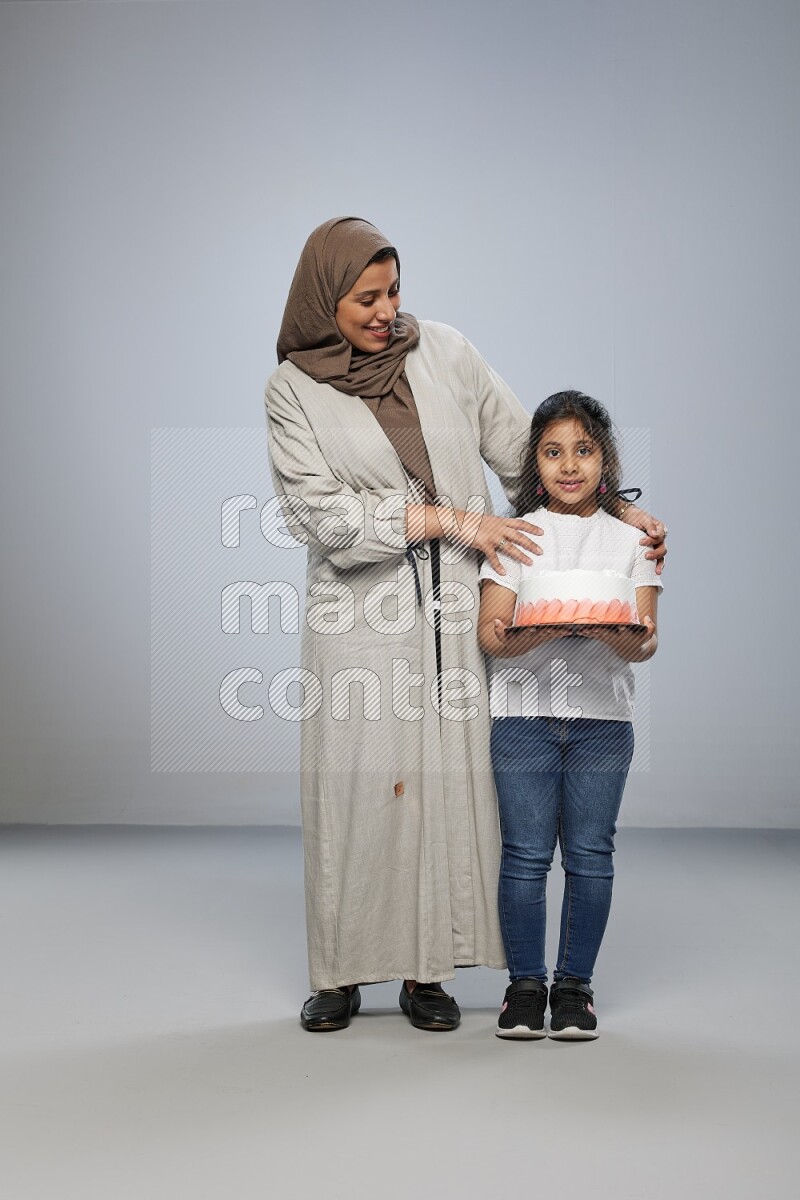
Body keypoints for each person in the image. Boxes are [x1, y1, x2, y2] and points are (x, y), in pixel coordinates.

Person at [264, 218, 667, 1032]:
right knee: (356, 792)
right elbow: (321, 515)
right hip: (360, 618)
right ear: (323, 300)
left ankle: (427, 974)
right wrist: (454, 520)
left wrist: (617, 508)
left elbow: (531, 455)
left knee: (445, 793)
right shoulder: (292, 391)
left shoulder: (443, 349)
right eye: (365, 298)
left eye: (394, 290)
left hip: (458, 610)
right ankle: (340, 973)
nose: (386, 311)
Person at [477, 390, 662, 1041]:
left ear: (603, 458)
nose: (569, 465)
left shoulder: (632, 539)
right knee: (525, 855)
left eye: (583, 450)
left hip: (602, 724)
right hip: (522, 717)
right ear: (535, 461)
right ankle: (524, 987)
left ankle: (575, 988)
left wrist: (599, 628)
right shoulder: (517, 535)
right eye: (553, 451)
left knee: (590, 855)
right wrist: (542, 631)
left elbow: (643, 642)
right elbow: (493, 636)